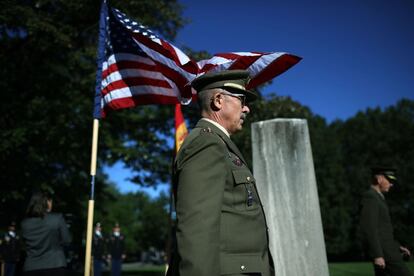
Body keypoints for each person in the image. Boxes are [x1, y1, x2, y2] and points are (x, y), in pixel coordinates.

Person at [167, 70, 272, 276]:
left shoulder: (218, 144)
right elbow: (198, 231)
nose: (246, 108)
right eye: (241, 100)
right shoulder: (207, 144)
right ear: (218, 100)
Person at [360, 167, 412, 276]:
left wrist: (397, 247)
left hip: (387, 251)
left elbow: (383, 230)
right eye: (390, 180)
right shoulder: (370, 197)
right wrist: (377, 255)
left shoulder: (378, 197)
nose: (392, 184)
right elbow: (370, 228)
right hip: (385, 254)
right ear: (379, 179)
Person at [21, 191, 72, 276]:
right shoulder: (57, 218)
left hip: (31, 267)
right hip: (55, 265)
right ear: (47, 202)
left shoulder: (24, 223)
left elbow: (24, 245)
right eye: (51, 201)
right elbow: (67, 240)